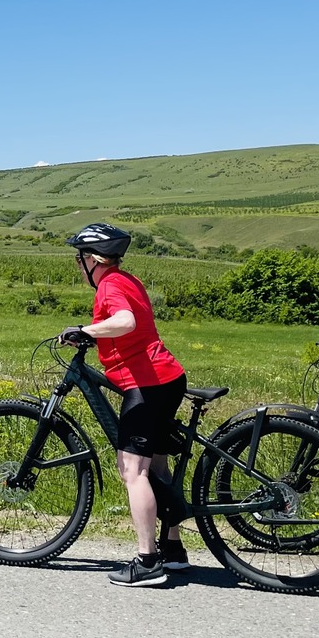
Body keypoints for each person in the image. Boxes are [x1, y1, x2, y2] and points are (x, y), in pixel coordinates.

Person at [59, 223, 189, 588]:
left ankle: (148, 562)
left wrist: (86, 330)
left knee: (134, 472)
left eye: (79, 258)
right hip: (167, 377)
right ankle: (173, 550)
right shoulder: (128, 279)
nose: (77, 265)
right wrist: (94, 336)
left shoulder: (110, 285)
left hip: (146, 384)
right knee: (158, 465)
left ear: (91, 259)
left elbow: (125, 321)